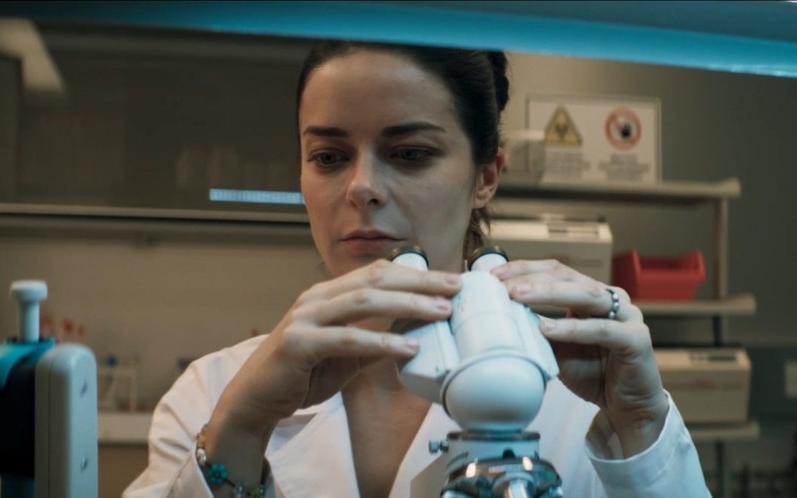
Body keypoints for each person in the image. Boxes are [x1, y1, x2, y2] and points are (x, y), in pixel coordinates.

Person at [125, 40, 709, 498]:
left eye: (409, 154)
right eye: (328, 157)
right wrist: (243, 427)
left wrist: (641, 424)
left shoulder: (578, 401)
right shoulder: (213, 397)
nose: (362, 188)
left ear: (486, 175)